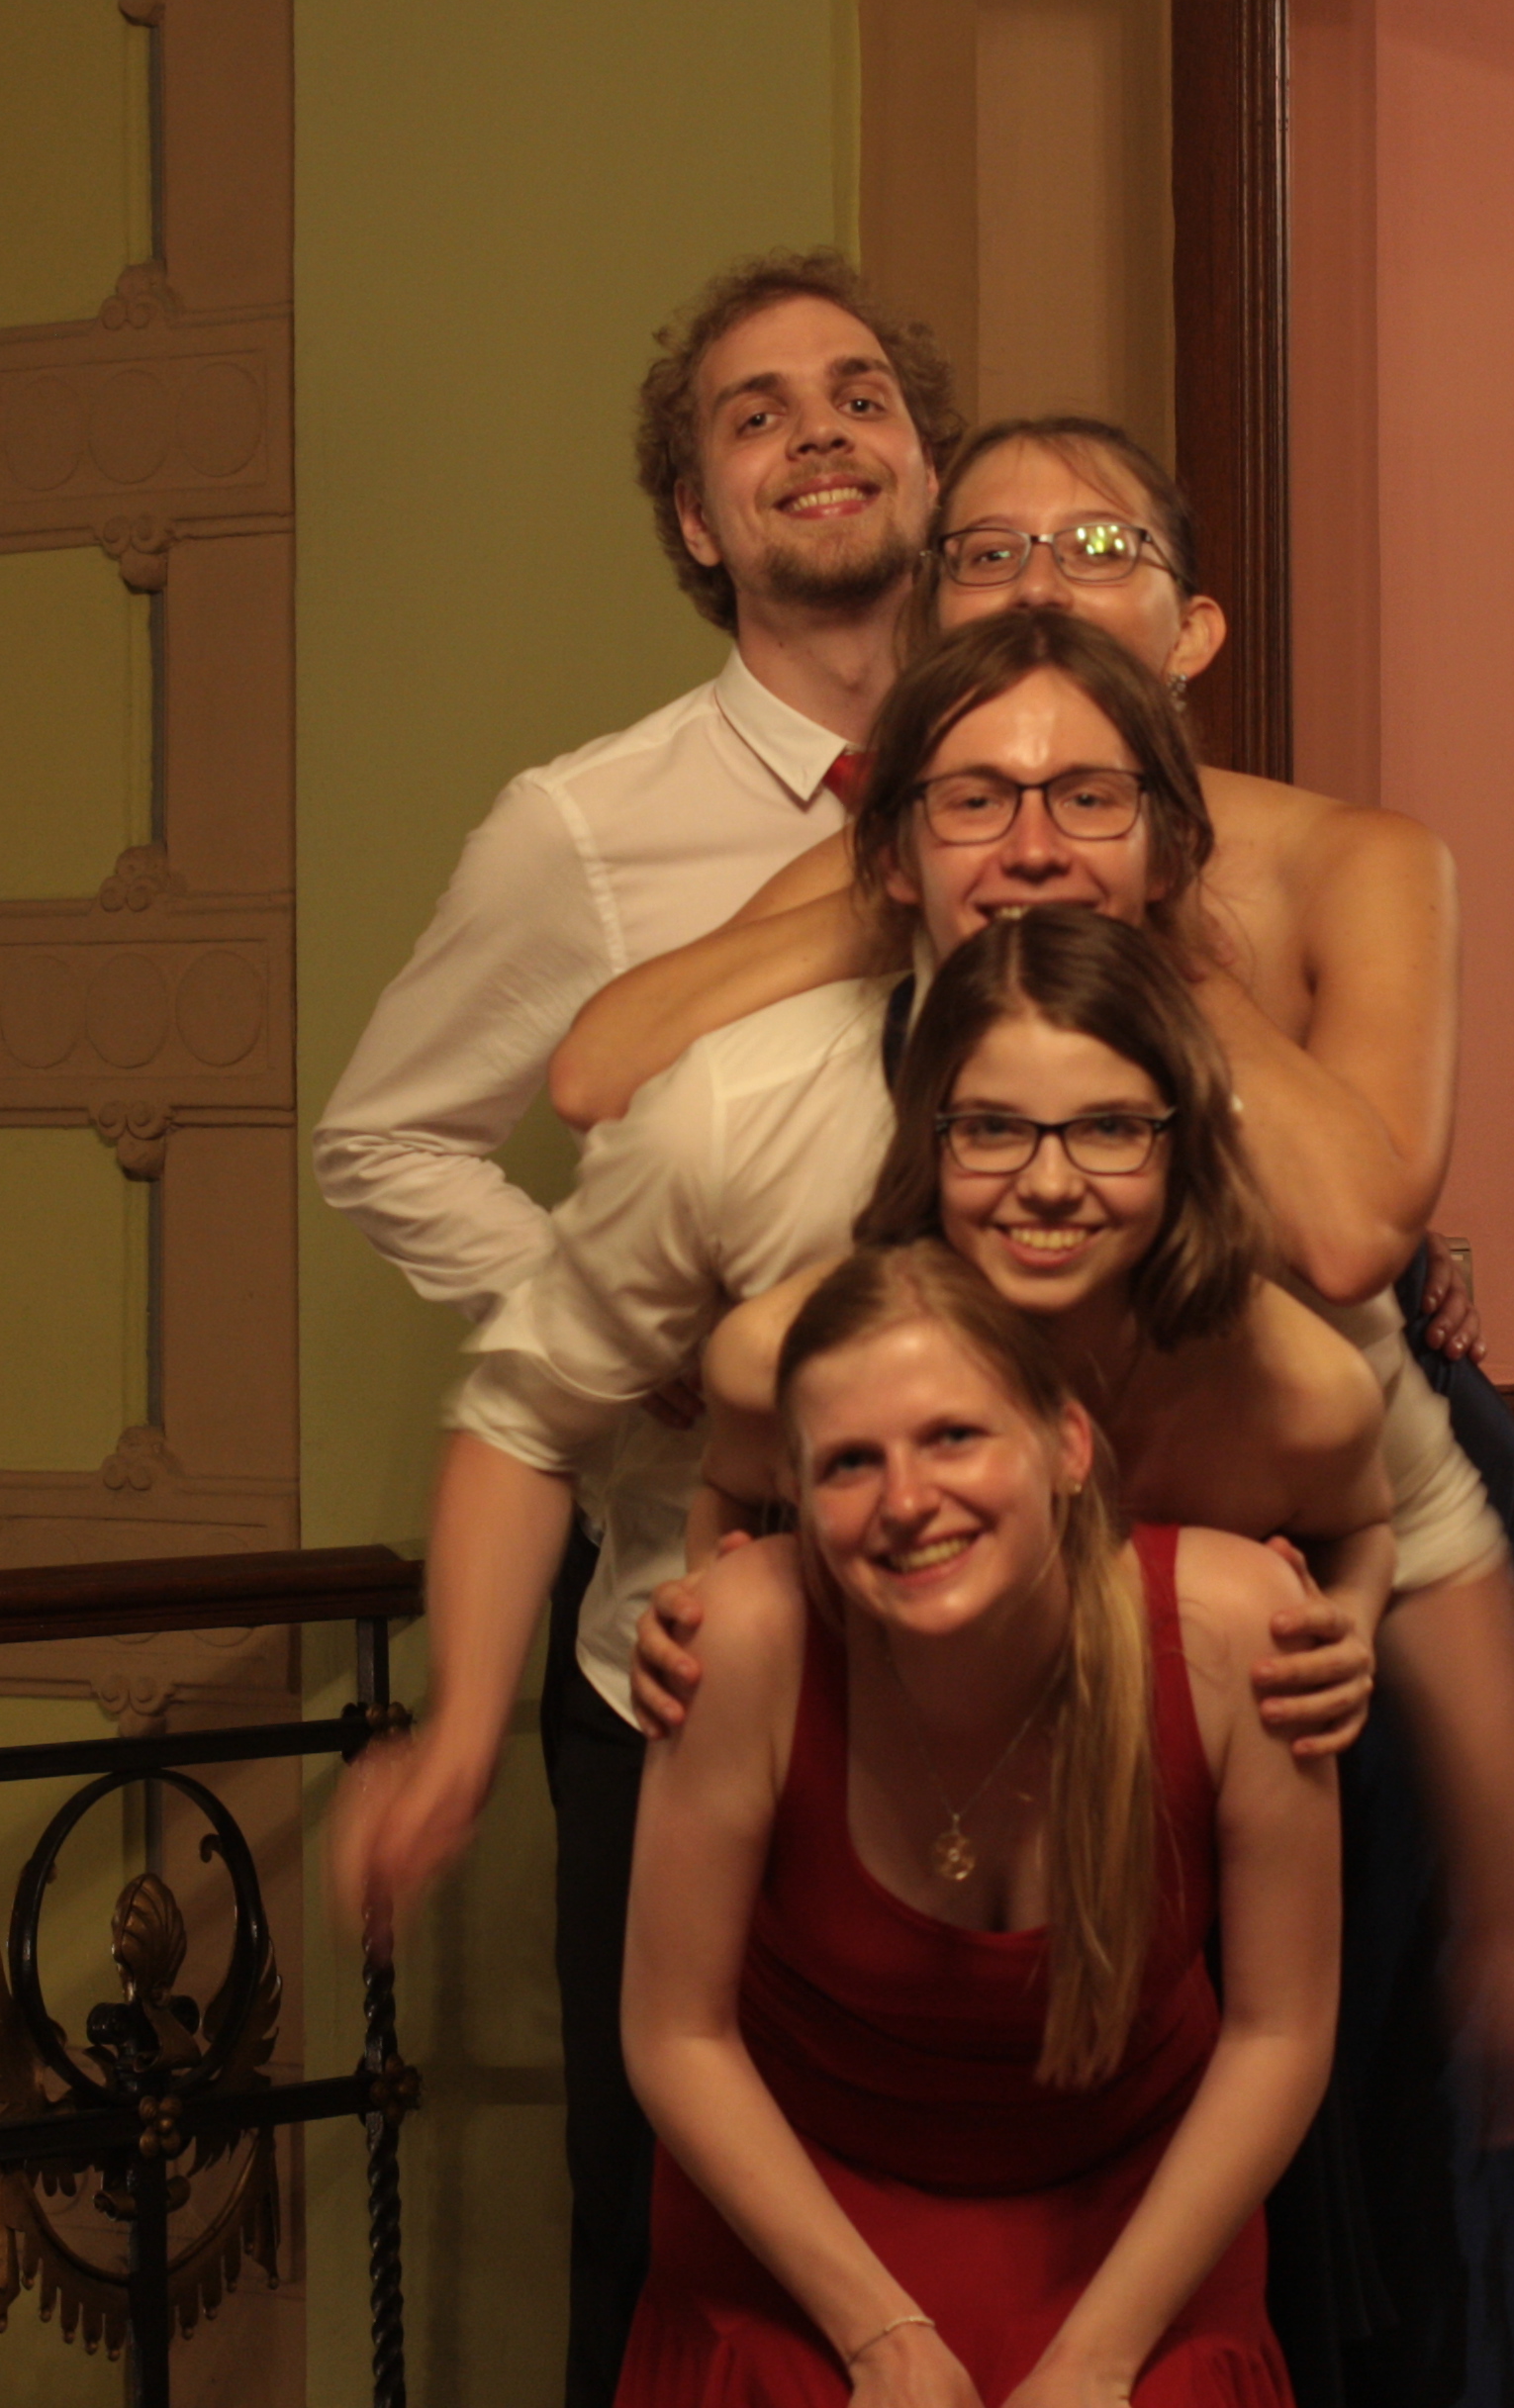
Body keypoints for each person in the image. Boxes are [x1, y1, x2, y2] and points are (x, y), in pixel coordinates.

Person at [590, 418, 1514, 2406]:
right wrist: (932, 892)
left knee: (1423, 2150)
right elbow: (607, 1071)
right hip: (983, 1519)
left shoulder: (1349, 858)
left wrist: (1142, 943)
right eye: (987, 552)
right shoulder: (951, 832)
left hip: (1296, 1503)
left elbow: (1347, 1229)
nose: (1043, 580)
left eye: (1100, 546)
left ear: (1195, 621)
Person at [310, 248, 966, 2408]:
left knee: (980, 2220)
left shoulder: (1047, 773)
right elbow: (384, 1138)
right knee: (680, 2249)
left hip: (1027, 1655)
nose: (818, 434)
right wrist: (631, 1341)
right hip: (683, 1652)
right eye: (753, 416)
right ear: (696, 517)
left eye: (859, 395)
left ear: (930, 466)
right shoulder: (582, 827)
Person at [619, 1240, 1335, 2405]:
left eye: (954, 1436)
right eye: (851, 1462)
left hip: (1137, 2229)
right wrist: (880, 2340)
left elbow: (1281, 2033)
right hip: (799, 2227)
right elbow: (674, 2036)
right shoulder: (741, 1637)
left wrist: (1100, 2362)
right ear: (794, 1489)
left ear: (1067, 1445)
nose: (907, 1502)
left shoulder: (1237, 1632)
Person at [685, 908, 1396, 1740]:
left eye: (1110, 1128)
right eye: (992, 1129)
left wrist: (1352, 1621)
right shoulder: (776, 1361)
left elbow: (1363, 1529)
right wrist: (706, 1613)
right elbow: (728, 1496)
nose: (1050, 1185)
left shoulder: (1301, 1392)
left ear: (1183, 1140)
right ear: (929, 1140)